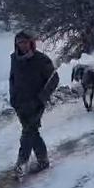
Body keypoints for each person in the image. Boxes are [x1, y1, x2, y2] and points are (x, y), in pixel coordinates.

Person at [9, 30, 59, 176]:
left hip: (36, 103)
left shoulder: (41, 59)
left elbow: (54, 79)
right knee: (32, 132)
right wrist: (13, 97)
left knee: (27, 132)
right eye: (19, 43)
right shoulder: (14, 59)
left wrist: (42, 98)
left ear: (31, 43)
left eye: (25, 42)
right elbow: (12, 79)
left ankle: (21, 163)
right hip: (20, 103)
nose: (22, 45)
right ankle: (43, 160)